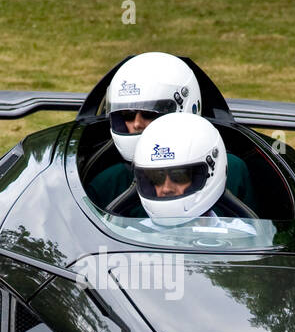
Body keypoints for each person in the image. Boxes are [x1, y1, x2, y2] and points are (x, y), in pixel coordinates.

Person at [87, 52, 252, 211]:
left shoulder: (234, 170)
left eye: (149, 114)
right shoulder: (105, 184)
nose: (137, 123)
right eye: (127, 115)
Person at [131, 113, 254, 229]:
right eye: (157, 179)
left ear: (207, 175)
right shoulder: (131, 236)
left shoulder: (242, 237)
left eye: (178, 177)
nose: (166, 189)